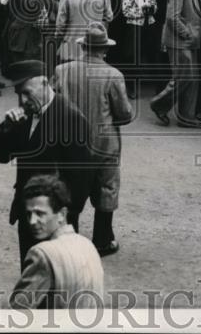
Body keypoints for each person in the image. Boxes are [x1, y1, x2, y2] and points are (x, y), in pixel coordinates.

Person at [0, 61, 94, 264]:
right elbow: (1, 157)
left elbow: (81, 178)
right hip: (27, 211)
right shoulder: (23, 116)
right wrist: (6, 129)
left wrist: (62, 217)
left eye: (28, 93)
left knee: (55, 274)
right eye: (19, 94)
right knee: (30, 267)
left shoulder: (71, 118)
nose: (22, 100)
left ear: (46, 83)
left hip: (53, 218)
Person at [54, 23, 133, 256]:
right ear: (104, 50)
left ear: (83, 48)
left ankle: (69, 240)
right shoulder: (114, 75)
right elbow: (125, 114)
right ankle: (102, 240)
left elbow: (51, 103)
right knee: (106, 189)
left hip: (71, 143)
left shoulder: (62, 71)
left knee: (70, 190)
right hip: (104, 144)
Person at [10, 176, 104, 309]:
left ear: (61, 214)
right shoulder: (88, 246)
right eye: (29, 214)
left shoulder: (42, 254)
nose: (32, 221)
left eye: (40, 214)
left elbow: (17, 311)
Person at [151, 0, 201, 128]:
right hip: (179, 42)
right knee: (184, 78)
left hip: (188, 41)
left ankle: (187, 117)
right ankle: (159, 105)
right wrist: (187, 34)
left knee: (190, 79)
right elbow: (172, 17)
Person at [121, 0, 158, 95]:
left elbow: (154, 3)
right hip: (135, 26)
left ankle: (153, 86)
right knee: (133, 56)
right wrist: (141, 13)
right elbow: (125, 11)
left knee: (151, 54)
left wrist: (152, 9)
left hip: (150, 25)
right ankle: (132, 87)